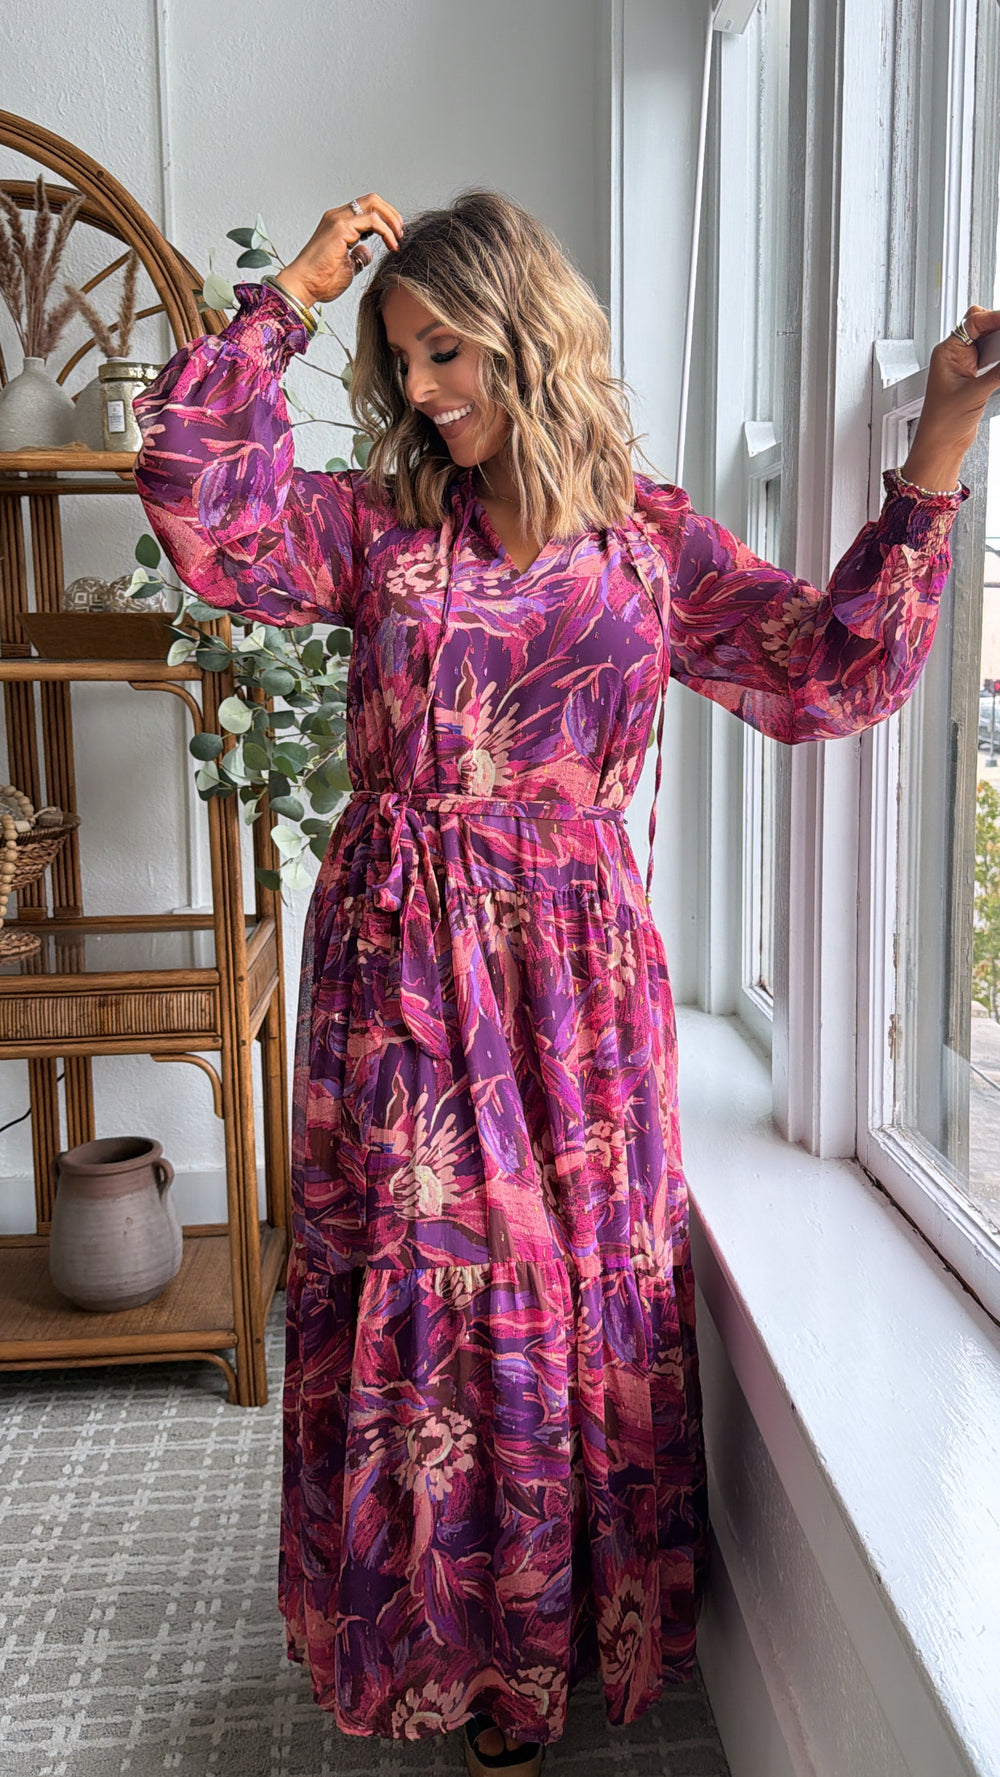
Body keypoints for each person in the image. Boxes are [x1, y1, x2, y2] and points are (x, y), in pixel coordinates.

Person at [132, 187, 1000, 1771]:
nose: (422, 391)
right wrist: (294, 294)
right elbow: (200, 504)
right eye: (402, 362)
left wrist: (941, 429)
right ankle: (442, 1657)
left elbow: (833, 669)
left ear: (526, 335)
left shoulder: (649, 544)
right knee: (426, 1298)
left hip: (575, 984)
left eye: (445, 351)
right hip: (398, 977)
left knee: (560, 1299)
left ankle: (531, 1665)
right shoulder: (380, 530)